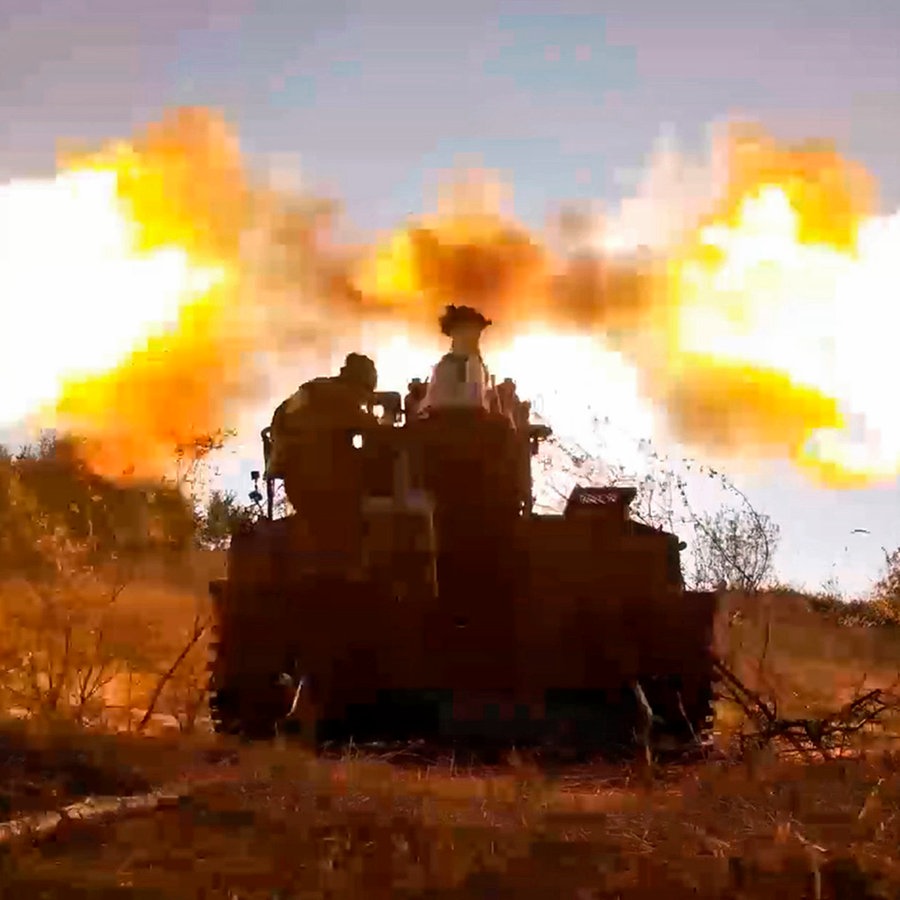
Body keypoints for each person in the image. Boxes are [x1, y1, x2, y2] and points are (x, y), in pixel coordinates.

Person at [419, 305, 495, 415]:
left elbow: (475, 397)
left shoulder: (474, 363)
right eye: (468, 330)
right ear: (455, 333)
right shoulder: (448, 366)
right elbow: (470, 401)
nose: (475, 337)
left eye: (476, 332)